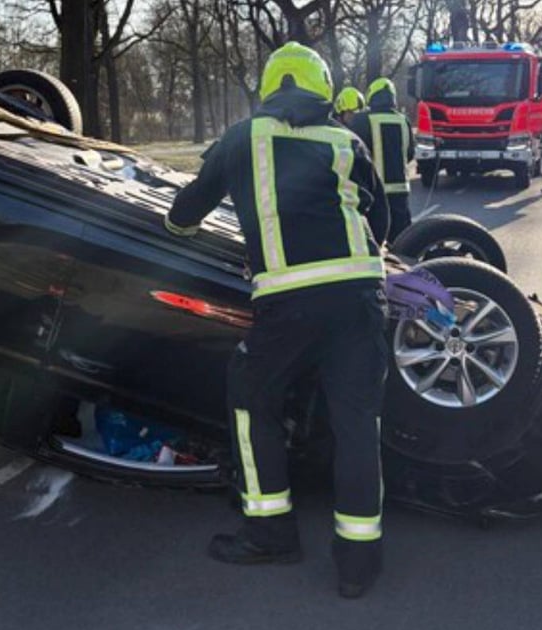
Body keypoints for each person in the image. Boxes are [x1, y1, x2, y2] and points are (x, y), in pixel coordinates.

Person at [164, 42, 391, 597]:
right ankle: (358, 562)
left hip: (288, 305)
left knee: (250, 398)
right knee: (357, 424)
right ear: (323, 89)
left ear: (268, 89)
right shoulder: (347, 140)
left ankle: (270, 533)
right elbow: (380, 220)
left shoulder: (242, 137)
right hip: (360, 299)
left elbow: (183, 216)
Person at [347, 77, 414, 242]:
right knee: (403, 243)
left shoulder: (361, 120)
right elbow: (410, 153)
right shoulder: (404, 121)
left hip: (374, 192)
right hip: (400, 193)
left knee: (374, 242)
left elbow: (354, 156)